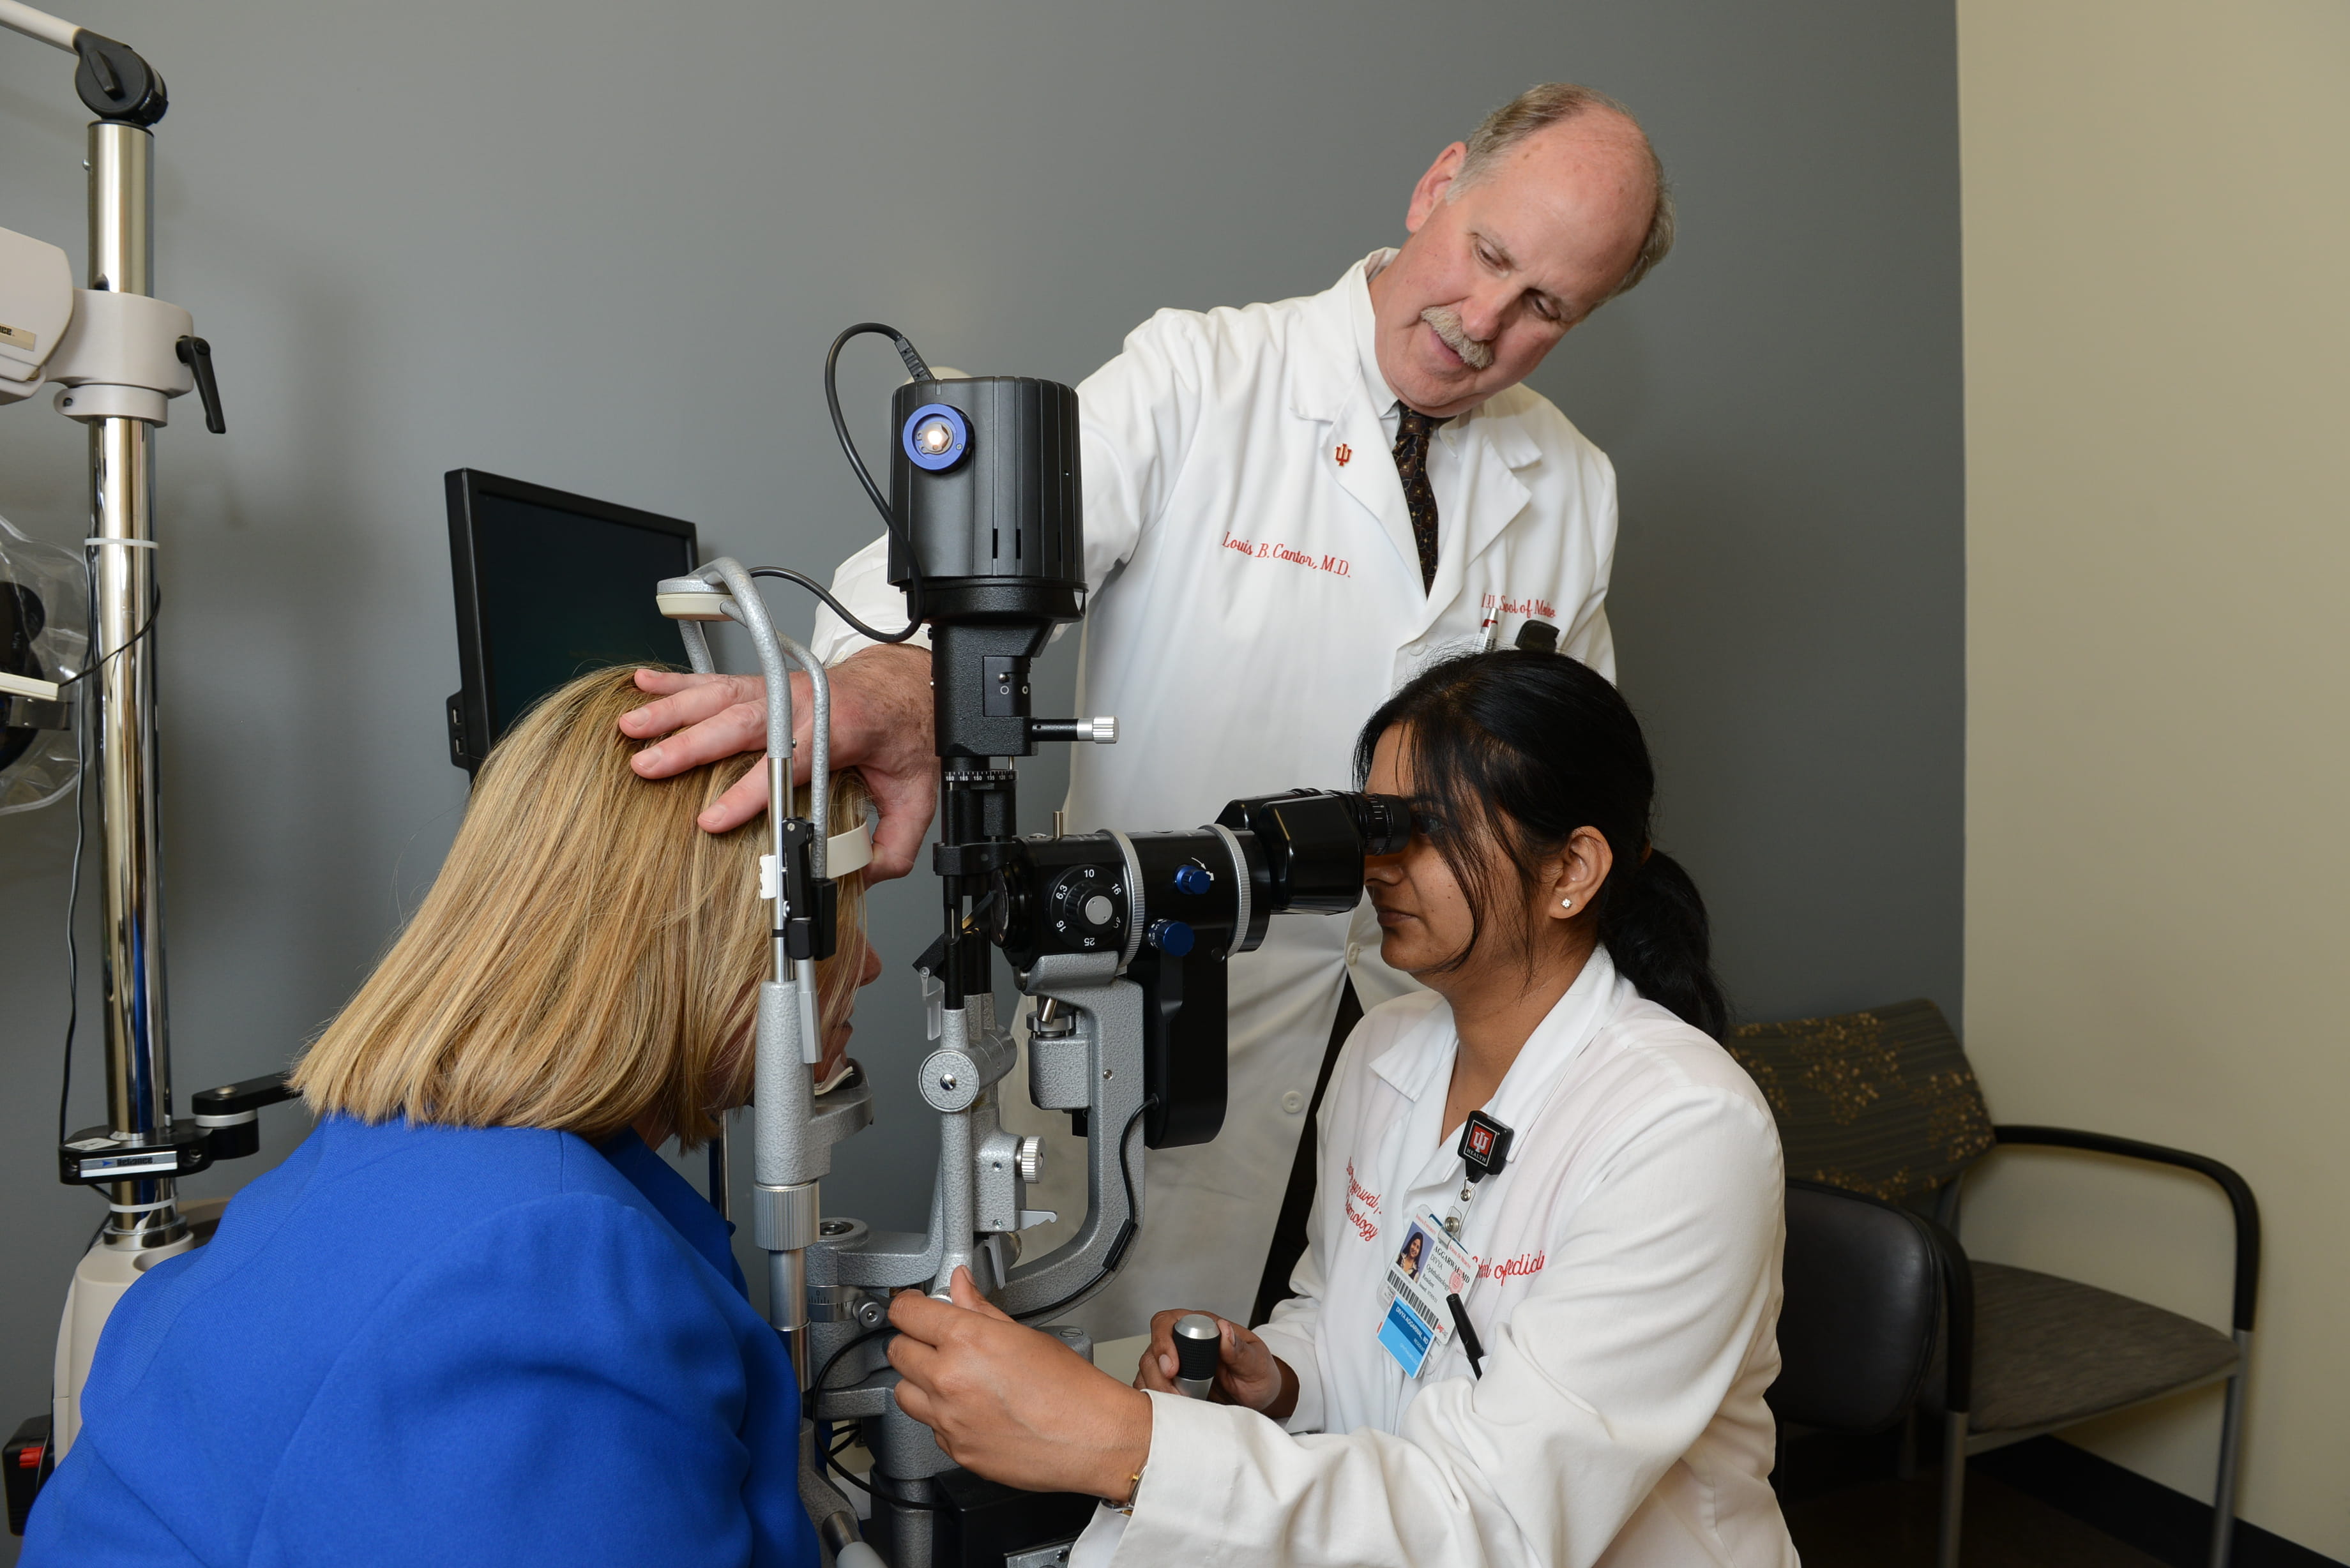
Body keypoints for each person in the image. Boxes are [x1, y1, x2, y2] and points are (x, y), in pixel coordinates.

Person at [621, 82, 1678, 1334]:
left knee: (1368, 1418)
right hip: (1164, 1033)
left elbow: (1573, 791)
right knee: (1109, 1422)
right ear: (1438, 183)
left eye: (1544, 306)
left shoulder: (1571, 487)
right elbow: (975, 562)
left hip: (1427, 1052)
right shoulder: (1204, 375)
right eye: (1487, 254)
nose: (1482, 320)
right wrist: (889, 683)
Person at [882, 649, 1794, 1568]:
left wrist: (1126, 1441)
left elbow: (1501, 1525)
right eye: (1377, 822)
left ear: (1571, 868)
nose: (1381, 862)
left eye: (1426, 829)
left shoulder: (1684, 1131)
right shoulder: (1384, 1050)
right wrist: (1280, 1381)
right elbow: (1340, 1316)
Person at [22, 667, 881, 1568]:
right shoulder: (545, 1271)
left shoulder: (372, 1171)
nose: (863, 968)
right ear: (723, 932)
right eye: (842, 921)